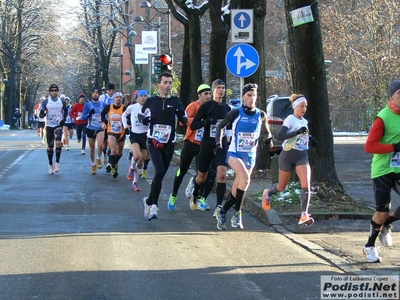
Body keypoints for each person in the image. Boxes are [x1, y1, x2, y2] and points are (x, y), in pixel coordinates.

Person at [213, 83, 273, 230]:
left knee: (238, 188)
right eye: (249, 95)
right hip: (234, 153)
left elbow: (267, 132)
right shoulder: (236, 113)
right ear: (243, 97)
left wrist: (269, 140)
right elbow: (220, 126)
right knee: (245, 180)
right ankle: (237, 213)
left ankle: (222, 211)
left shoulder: (261, 114)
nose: (252, 98)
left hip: (250, 156)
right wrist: (218, 143)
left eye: (254, 95)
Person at [138, 72, 187, 220]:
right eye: (165, 82)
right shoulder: (151, 101)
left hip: (169, 143)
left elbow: (183, 118)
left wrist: (183, 118)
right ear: (158, 85)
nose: (167, 86)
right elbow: (141, 116)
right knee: (159, 171)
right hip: (153, 141)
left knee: (160, 175)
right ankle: (154, 206)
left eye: (170, 83)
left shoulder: (176, 101)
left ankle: (147, 201)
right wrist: (145, 120)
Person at [262, 94, 317, 226]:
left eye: (305, 106)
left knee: (306, 184)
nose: (304, 109)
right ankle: (268, 193)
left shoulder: (304, 121)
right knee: (281, 187)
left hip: (301, 155)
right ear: (295, 106)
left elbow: (303, 135)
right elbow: (280, 135)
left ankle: (304, 214)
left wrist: (310, 139)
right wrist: (296, 133)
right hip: (287, 156)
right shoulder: (290, 119)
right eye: (301, 106)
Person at [362, 80, 400, 263]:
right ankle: (369, 246)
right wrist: (395, 146)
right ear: (392, 96)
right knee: (382, 211)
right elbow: (369, 146)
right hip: (383, 170)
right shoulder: (383, 117)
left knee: (386, 216)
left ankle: (388, 224)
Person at [167, 84, 212, 211]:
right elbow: (183, 121)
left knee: (203, 173)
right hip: (191, 143)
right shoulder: (194, 106)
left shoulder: (212, 107)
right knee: (182, 170)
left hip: (204, 144)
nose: (208, 96)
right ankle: (174, 195)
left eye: (209, 94)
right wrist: (199, 121)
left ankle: (197, 197)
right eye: (205, 94)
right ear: (199, 95)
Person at [190, 79, 231, 212]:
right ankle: (195, 194)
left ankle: (219, 207)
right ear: (213, 90)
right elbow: (194, 124)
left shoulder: (227, 109)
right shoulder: (207, 107)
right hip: (207, 144)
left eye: (223, 88)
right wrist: (207, 121)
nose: (221, 90)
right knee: (202, 177)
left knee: (222, 175)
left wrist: (229, 138)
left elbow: (230, 127)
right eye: (218, 88)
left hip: (222, 145)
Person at [122, 89, 150, 191]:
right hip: (135, 134)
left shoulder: (150, 109)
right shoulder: (132, 107)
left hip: (146, 136)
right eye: (141, 96)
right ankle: (131, 168)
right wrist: (125, 126)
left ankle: (135, 182)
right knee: (137, 155)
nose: (143, 97)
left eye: (145, 96)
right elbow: (124, 115)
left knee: (141, 161)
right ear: (137, 98)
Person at [39, 84, 68, 174]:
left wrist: (64, 119)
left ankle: (57, 162)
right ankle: (50, 164)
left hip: (58, 125)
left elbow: (66, 110)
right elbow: (42, 111)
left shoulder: (62, 101)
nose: (54, 92)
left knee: (58, 143)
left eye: (56, 90)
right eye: (52, 90)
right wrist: (42, 114)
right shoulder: (46, 101)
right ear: (50, 92)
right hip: (49, 125)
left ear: (58, 91)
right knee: (50, 147)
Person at [101, 92, 127, 178]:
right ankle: (113, 169)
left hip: (121, 132)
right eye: (117, 97)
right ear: (113, 98)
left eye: (120, 97)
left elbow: (129, 117)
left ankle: (114, 163)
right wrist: (103, 123)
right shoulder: (109, 107)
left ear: (122, 99)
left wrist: (128, 125)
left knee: (119, 152)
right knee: (112, 150)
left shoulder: (124, 108)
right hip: (111, 131)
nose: (118, 99)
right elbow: (102, 113)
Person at [80, 88, 106, 174]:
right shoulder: (88, 105)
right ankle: (93, 164)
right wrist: (89, 114)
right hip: (90, 127)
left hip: (100, 127)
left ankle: (98, 158)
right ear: (91, 94)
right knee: (91, 148)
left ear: (99, 95)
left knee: (100, 144)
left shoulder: (103, 104)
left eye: (97, 93)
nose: (95, 94)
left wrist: (105, 122)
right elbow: (83, 117)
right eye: (94, 93)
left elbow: (106, 116)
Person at [100, 83, 116, 166]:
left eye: (112, 90)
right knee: (105, 140)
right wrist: (102, 121)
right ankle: (104, 154)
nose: (111, 92)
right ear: (107, 91)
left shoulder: (116, 97)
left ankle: (109, 158)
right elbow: (100, 108)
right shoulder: (103, 97)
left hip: (113, 121)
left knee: (111, 141)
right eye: (109, 90)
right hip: (105, 120)